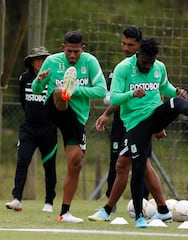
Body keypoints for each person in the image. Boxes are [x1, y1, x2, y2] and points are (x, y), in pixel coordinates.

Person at [110, 37, 188, 228]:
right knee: (139, 166)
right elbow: (115, 98)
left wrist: (176, 90)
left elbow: (164, 86)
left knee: (175, 102)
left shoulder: (158, 67)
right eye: (144, 63)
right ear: (138, 55)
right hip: (135, 124)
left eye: (151, 63)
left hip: (154, 115)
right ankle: (140, 218)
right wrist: (131, 94)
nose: (148, 67)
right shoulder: (124, 69)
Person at [87, 25, 171, 222]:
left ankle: (109, 209)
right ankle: (163, 209)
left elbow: (156, 93)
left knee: (125, 165)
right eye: (123, 43)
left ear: (139, 47)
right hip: (126, 122)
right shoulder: (124, 67)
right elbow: (123, 95)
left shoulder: (149, 66)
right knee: (131, 164)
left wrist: (158, 126)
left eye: (130, 45)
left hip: (139, 124)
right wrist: (107, 113)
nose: (125, 48)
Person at [32, 31, 107, 223]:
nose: (72, 55)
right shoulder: (51, 61)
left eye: (76, 52)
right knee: (58, 91)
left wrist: (75, 89)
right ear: (63, 47)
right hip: (55, 107)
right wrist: (40, 81)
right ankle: (63, 91)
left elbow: (101, 89)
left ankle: (64, 212)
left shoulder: (90, 62)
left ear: (83, 49)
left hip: (76, 119)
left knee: (76, 162)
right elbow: (36, 89)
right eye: (69, 52)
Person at [6, 46, 57, 213]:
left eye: (44, 59)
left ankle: (49, 202)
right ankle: (17, 199)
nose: (41, 62)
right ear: (32, 62)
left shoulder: (54, 78)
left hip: (48, 129)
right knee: (22, 161)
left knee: (49, 166)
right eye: (37, 59)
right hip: (28, 129)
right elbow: (23, 101)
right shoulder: (24, 78)